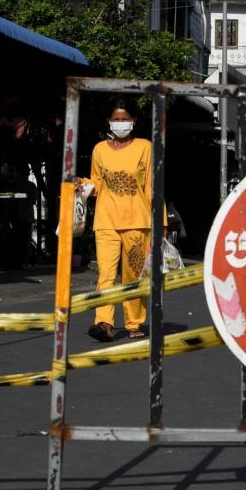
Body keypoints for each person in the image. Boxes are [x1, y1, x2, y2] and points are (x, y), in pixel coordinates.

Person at [76, 100, 163, 342]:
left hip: (138, 221)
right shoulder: (99, 149)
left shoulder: (145, 147)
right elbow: (96, 182)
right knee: (105, 273)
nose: (121, 124)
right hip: (106, 220)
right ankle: (104, 322)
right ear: (109, 121)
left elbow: (152, 186)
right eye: (117, 119)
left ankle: (134, 323)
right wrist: (82, 184)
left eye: (125, 119)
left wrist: (161, 222)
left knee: (132, 275)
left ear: (133, 121)